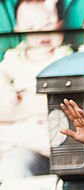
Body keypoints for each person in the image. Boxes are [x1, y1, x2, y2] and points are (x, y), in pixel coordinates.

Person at [0, 0, 71, 178]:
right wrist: (4, 88)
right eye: (31, 27)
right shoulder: (14, 57)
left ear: (60, 24)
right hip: (21, 128)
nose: (42, 33)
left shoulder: (63, 56)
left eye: (47, 24)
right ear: (19, 30)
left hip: (47, 128)